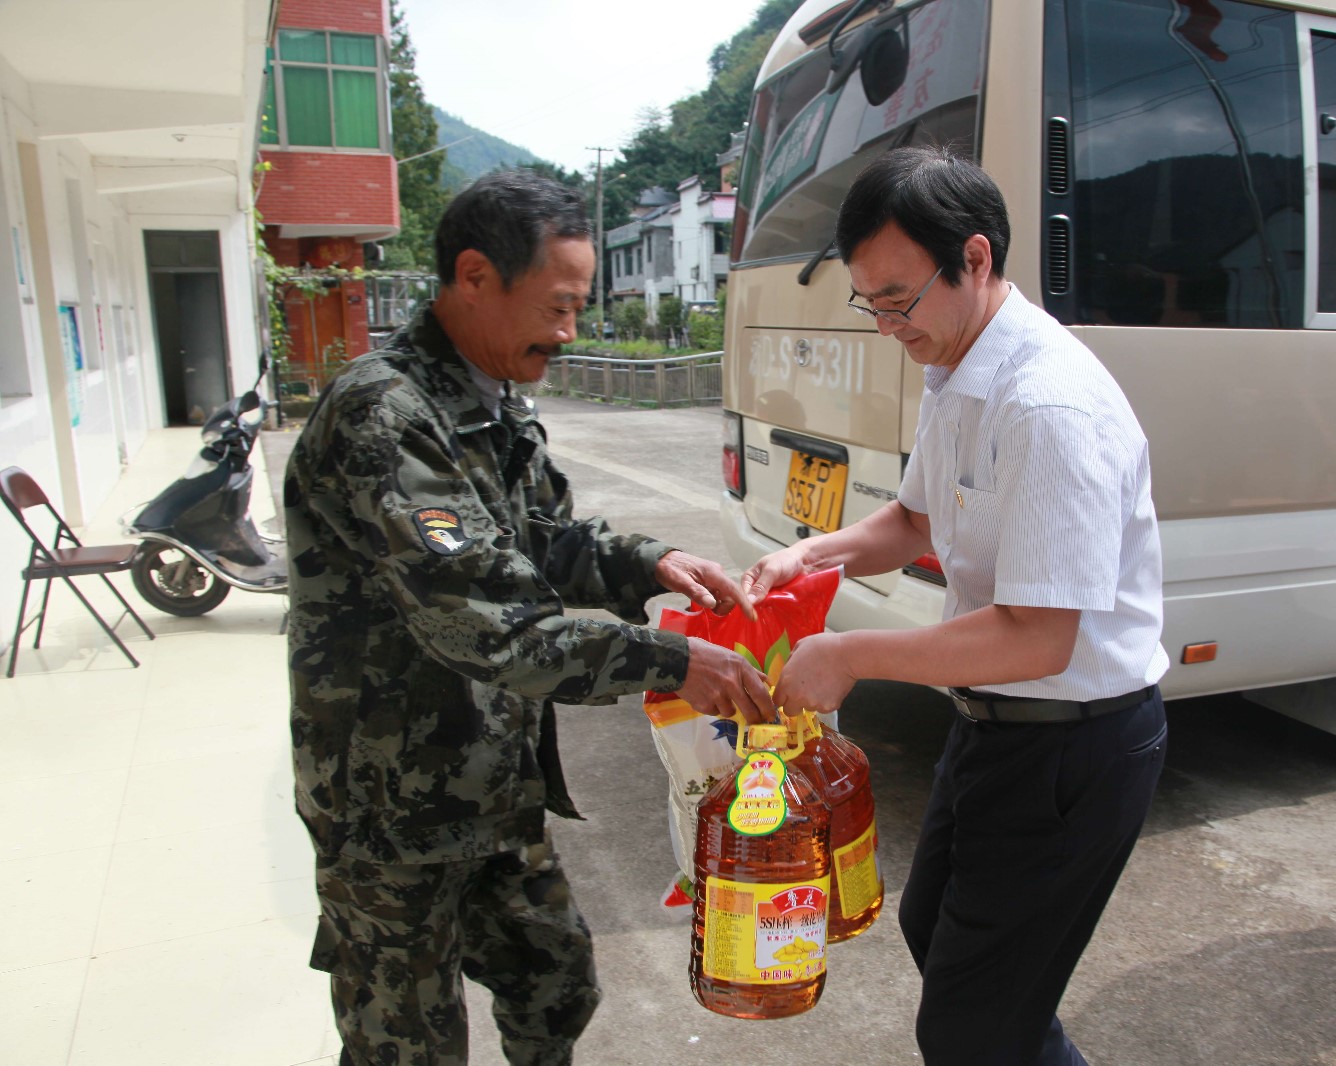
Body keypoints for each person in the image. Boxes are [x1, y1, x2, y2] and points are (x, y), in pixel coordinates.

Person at [284, 170, 775, 1066]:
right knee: (407, 1044)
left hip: (489, 786)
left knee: (556, 985)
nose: (569, 331)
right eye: (558, 306)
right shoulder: (383, 417)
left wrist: (648, 560)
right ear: (476, 276)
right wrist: (673, 662)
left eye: (579, 308)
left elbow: (540, 536)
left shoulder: (490, 402)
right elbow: (493, 623)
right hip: (389, 811)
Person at [742, 146, 1169, 1066]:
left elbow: (1039, 639)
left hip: (1073, 747)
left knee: (972, 1026)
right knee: (938, 935)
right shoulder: (955, 366)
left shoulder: (1047, 406)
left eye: (899, 298)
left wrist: (850, 655)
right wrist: (813, 552)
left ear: (975, 258)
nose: (887, 325)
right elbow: (912, 521)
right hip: (991, 726)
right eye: (870, 303)